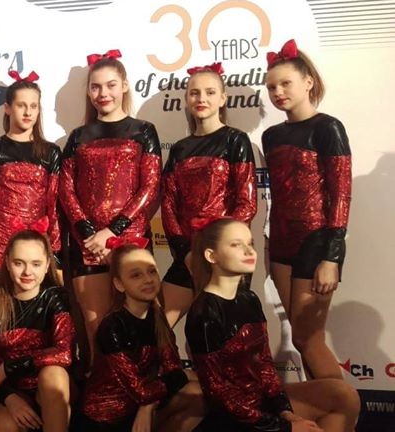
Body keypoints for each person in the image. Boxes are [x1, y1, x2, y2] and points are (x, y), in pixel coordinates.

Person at [185, 218, 359, 432]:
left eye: (250, 243)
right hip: (235, 418)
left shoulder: (249, 299)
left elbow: (265, 365)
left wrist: (286, 412)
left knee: (343, 395)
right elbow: (219, 394)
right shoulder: (204, 313)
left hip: (264, 405)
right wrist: (284, 427)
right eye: (236, 244)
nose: (248, 251)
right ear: (211, 255)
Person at [59, 50, 161, 364]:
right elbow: (66, 189)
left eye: (111, 85)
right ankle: (100, 387)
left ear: (125, 86)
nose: (103, 93)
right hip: (86, 243)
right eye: (96, 87)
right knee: (95, 329)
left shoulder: (144, 130)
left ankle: (140, 388)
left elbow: (150, 186)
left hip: (131, 240)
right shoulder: (78, 137)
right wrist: (89, 234)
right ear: (89, 92)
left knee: (139, 326)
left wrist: (113, 231)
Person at [263, 40, 351, 380]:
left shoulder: (328, 128)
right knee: (302, 341)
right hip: (281, 243)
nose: (278, 92)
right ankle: (321, 406)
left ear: (308, 82)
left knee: (308, 338)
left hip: (317, 243)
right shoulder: (271, 136)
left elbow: (341, 195)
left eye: (286, 83)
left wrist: (332, 256)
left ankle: (342, 408)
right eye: (272, 87)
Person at [161, 62, 257, 326]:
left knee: (221, 334)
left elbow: (247, 203)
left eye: (210, 92)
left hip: (225, 257)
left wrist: (222, 248)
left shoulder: (236, 140)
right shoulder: (180, 148)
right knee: (158, 327)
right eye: (194, 93)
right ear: (186, 99)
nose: (201, 98)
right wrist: (185, 252)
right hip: (188, 254)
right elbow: (168, 204)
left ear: (223, 99)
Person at [74, 239, 204, 432]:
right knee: (190, 381)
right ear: (119, 284)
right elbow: (141, 391)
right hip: (105, 421)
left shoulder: (157, 317)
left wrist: (148, 405)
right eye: (136, 275)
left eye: (152, 271)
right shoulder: (112, 326)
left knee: (198, 392)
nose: (148, 279)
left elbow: (172, 367)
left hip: (140, 409)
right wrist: (182, 376)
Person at [0, 224, 74, 432]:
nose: (28, 272)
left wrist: (11, 365)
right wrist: (9, 398)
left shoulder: (55, 299)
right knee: (4, 424)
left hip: (49, 388)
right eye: (19, 263)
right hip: (11, 389)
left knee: (54, 375)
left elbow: (64, 353)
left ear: (47, 265)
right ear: (7, 263)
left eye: (36, 264)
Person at [0, 70, 61, 285]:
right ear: (7, 108)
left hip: (36, 246)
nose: (28, 112)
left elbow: (53, 205)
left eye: (33, 106)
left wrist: (55, 254)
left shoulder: (51, 152)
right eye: (21, 105)